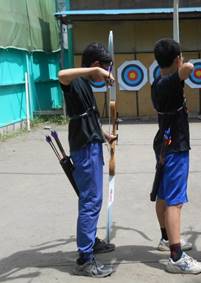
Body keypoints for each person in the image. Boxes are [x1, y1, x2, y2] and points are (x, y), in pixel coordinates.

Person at [58, 42, 117, 278]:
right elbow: (61, 74)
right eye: (105, 70)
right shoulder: (76, 80)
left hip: (91, 144)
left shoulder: (86, 85)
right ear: (95, 66)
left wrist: (104, 135)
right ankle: (84, 258)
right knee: (90, 202)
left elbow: (88, 116)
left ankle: (91, 242)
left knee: (93, 199)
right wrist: (93, 73)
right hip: (84, 150)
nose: (106, 76)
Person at [151, 38, 201, 274]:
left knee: (164, 195)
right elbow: (189, 69)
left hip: (165, 143)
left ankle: (166, 239)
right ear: (176, 59)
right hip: (175, 147)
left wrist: (177, 61)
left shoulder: (158, 80)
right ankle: (176, 256)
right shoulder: (170, 82)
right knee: (175, 201)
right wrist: (182, 64)